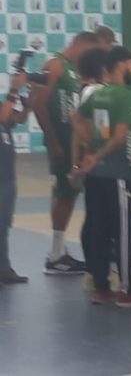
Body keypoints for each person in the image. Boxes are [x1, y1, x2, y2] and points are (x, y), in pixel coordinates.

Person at [75, 46, 131, 307]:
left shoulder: (97, 93)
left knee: (99, 229)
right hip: (118, 175)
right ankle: (127, 289)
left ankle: (101, 287)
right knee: (125, 231)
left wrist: (91, 148)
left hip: (97, 177)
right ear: (121, 65)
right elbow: (120, 137)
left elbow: (76, 119)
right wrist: (97, 155)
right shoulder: (123, 95)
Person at [32, 31, 100, 275]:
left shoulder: (72, 69)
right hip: (59, 140)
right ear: (79, 44)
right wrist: (53, 141)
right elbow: (37, 102)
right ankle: (55, 255)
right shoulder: (56, 65)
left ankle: (58, 251)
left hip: (69, 140)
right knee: (65, 193)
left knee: (66, 193)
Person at [0, 70, 29, 285]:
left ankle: (4, 268)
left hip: (7, 175)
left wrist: (28, 104)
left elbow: (15, 118)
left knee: (3, 224)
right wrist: (14, 89)